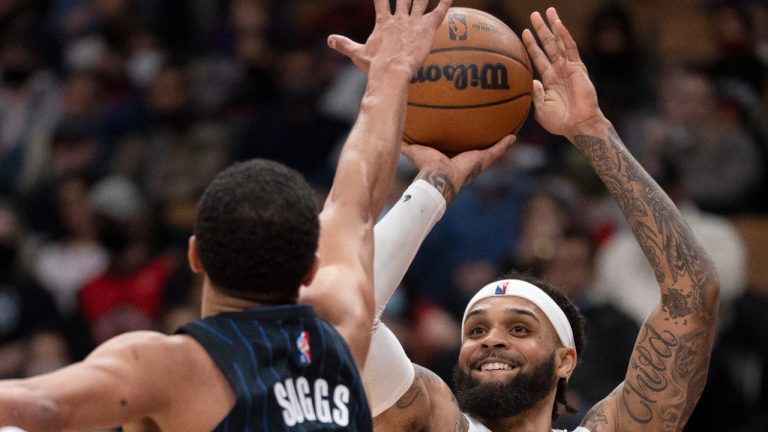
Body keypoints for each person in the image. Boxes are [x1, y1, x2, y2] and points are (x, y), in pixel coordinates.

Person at [0, 0, 483, 430]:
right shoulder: (340, 333)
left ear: (194, 256)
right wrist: (392, 74)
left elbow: (41, 408)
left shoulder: (168, 367)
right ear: (310, 270)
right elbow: (354, 200)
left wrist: (390, 76)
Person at [361, 7, 720, 432]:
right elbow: (349, 307)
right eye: (475, 331)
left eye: (519, 327)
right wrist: (434, 185)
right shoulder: (430, 418)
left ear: (565, 359)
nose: (491, 339)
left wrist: (593, 131)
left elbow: (692, 295)